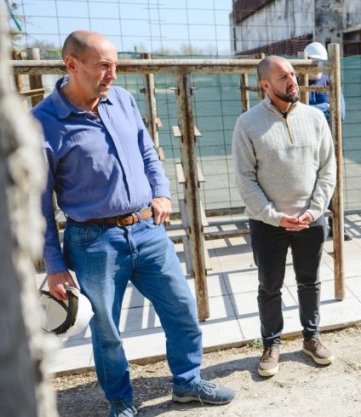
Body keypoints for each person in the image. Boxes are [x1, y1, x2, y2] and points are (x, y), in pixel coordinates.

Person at [33, 30, 234, 417]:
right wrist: (55, 267)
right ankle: (121, 402)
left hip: (147, 230)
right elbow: (38, 206)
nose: (113, 75)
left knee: (181, 308)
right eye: (103, 66)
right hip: (93, 241)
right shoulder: (42, 123)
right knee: (107, 331)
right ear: (72, 65)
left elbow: (147, 150)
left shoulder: (121, 100)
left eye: (116, 65)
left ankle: (188, 382)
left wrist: (161, 192)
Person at [232, 55, 337, 378]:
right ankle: (271, 344)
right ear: (265, 84)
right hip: (268, 224)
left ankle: (311, 338)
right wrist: (274, 216)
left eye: (292, 74)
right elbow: (245, 178)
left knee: (310, 281)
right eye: (283, 77)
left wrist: (314, 210)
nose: (292, 80)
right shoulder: (248, 124)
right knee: (270, 286)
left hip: (310, 219)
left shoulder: (315, 118)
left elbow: (327, 168)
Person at [303, 41, 351, 240]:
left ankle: (337, 225)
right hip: (303, 146)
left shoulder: (331, 81)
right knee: (306, 185)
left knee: (330, 182)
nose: (316, 67)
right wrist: (324, 110)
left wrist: (310, 112)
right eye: (312, 62)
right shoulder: (296, 81)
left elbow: (340, 112)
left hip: (327, 143)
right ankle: (309, 228)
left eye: (320, 62)